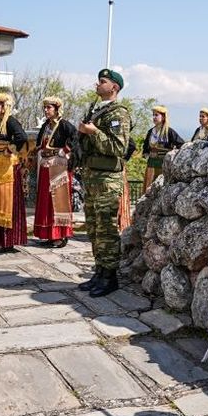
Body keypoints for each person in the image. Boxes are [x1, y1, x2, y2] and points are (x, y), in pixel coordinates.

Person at [77, 68, 132, 298]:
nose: (97, 84)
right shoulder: (97, 109)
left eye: (102, 81)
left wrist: (93, 132)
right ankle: (99, 271)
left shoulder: (118, 113)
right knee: (94, 227)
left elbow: (119, 147)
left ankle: (110, 277)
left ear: (114, 88)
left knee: (107, 228)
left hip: (108, 179)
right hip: (92, 176)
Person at [0, 91, 28, 253]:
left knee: (3, 203)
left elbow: (21, 137)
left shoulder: (11, 122)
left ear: (4, 107)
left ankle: (5, 241)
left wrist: (10, 149)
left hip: (5, 168)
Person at [33, 96, 78, 248]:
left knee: (59, 201)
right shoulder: (46, 125)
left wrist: (65, 150)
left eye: (49, 108)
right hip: (46, 164)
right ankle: (48, 234)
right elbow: (40, 143)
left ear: (57, 109)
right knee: (46, 201)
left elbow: (76, 137)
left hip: (59, 164)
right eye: (45, 108)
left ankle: (60, 235)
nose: (46, 110)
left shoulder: (64, 125)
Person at [142, 105, 184, 189]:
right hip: (151, 163)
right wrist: (146, 153)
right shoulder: (151, 131)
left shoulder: (169, 131)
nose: (154, 117)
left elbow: (181, 144)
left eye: (156, 115)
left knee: (161, 185)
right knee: (149, 186)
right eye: (153, 115)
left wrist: (173, 154)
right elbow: (145, 147)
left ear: (163, 117)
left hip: (163, 164)